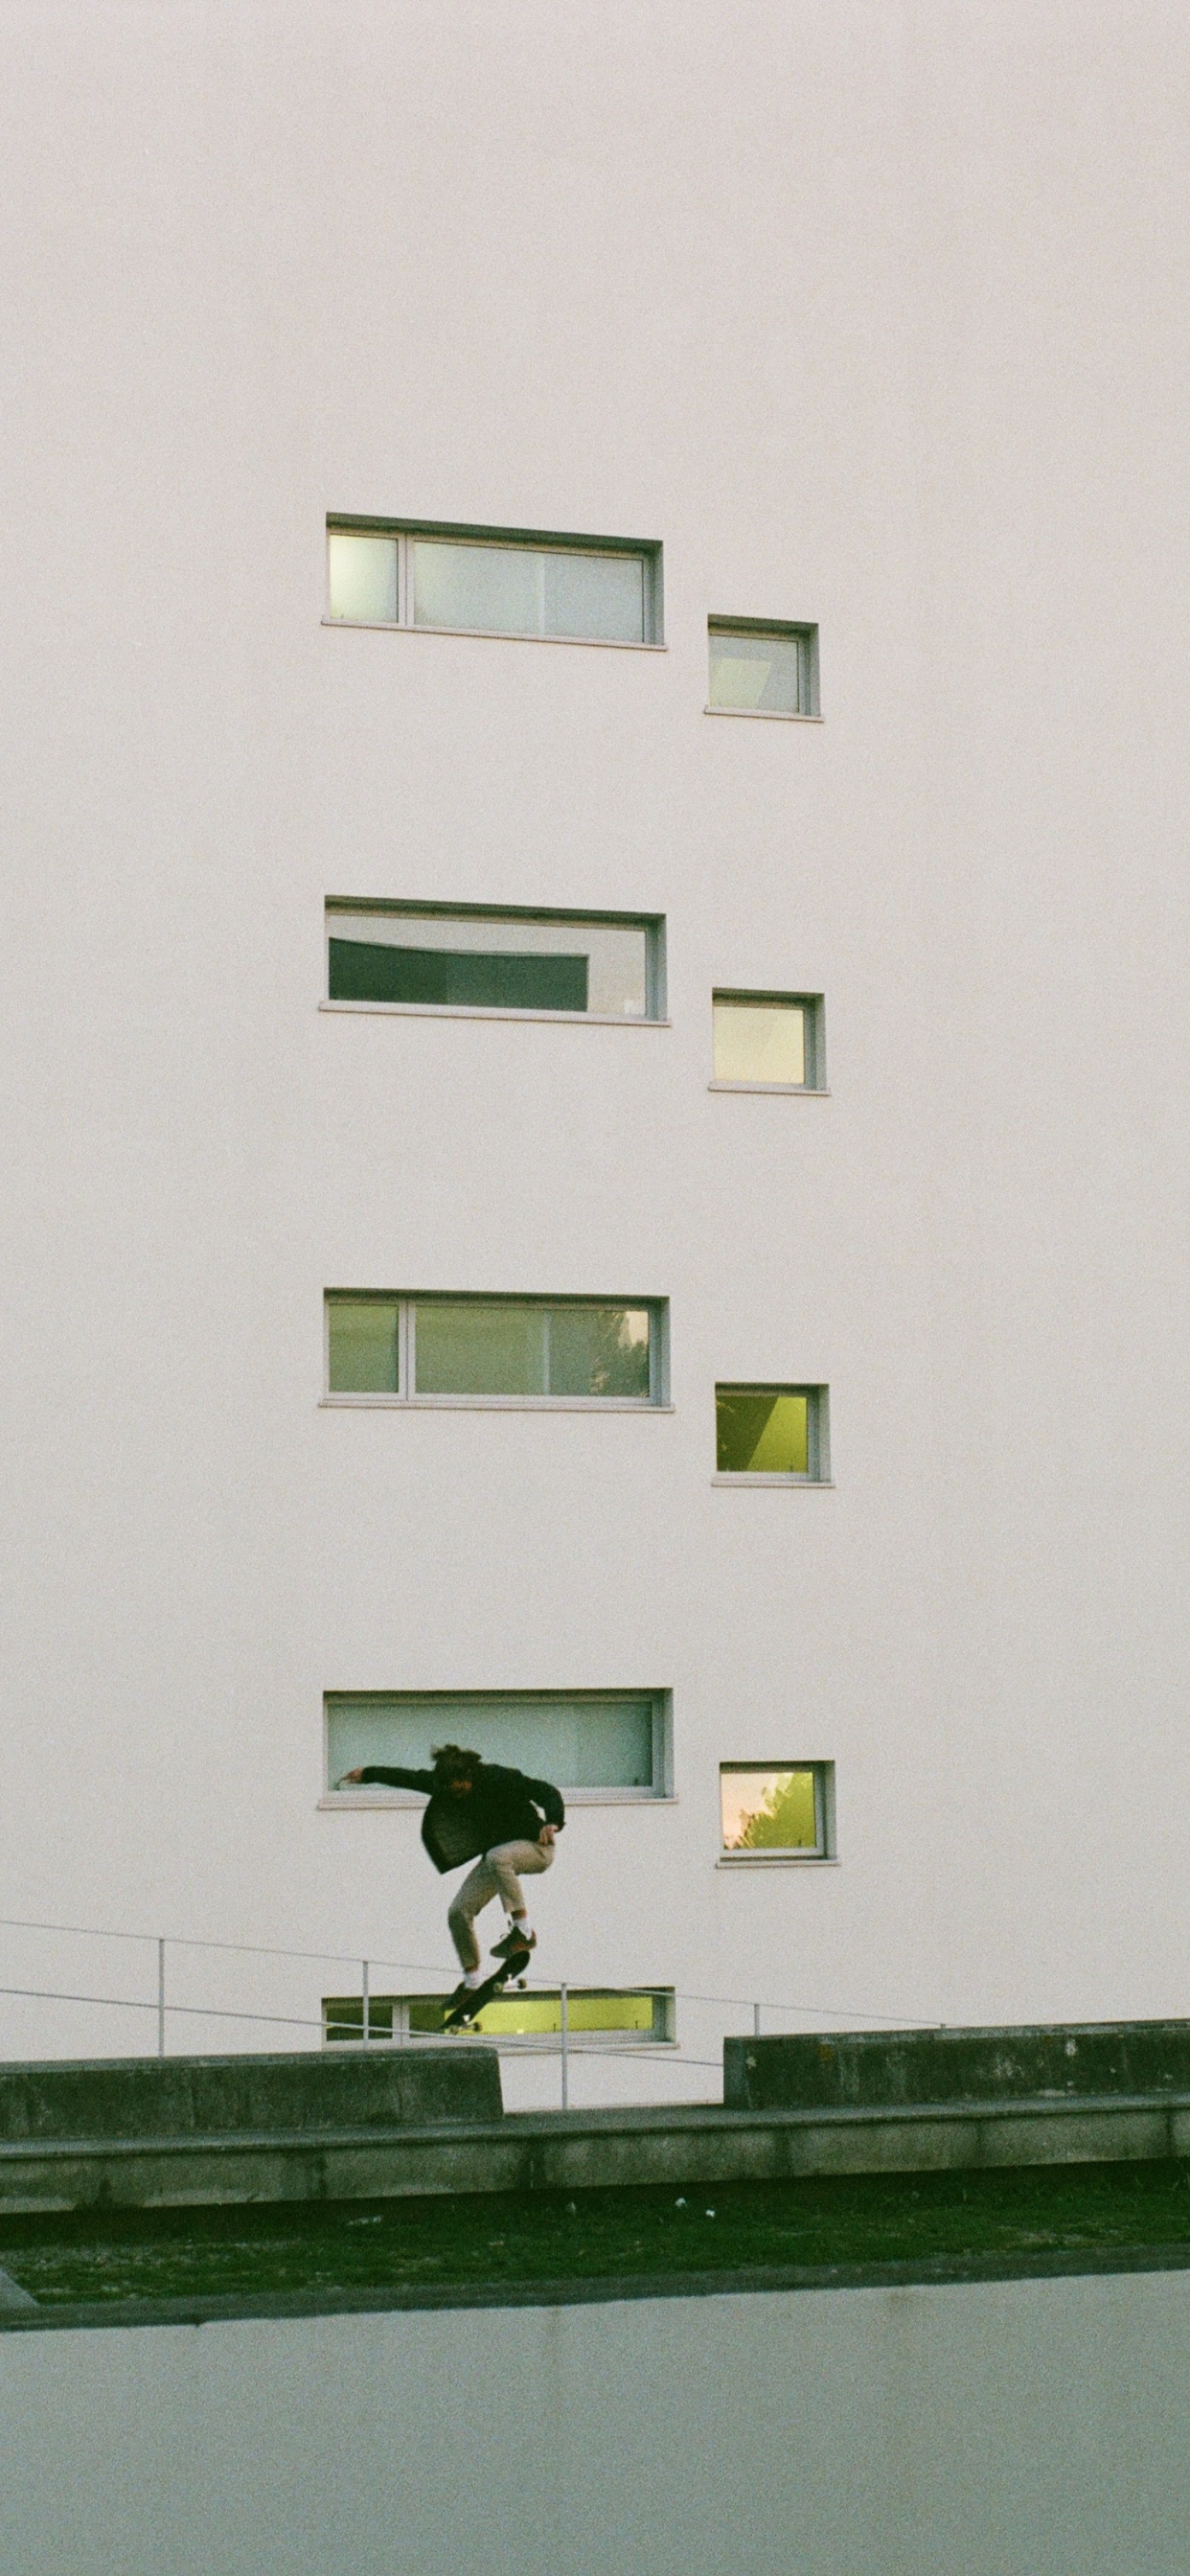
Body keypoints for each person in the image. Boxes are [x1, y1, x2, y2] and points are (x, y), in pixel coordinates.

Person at [337, 1742, 564, 2003]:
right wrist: (368, 1773)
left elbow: (546, 1791)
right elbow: (408, 1778)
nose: (457, 1796)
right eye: (451, 1792)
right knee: (458, 1912)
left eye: (460, 1789)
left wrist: (552, 1822)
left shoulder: (498, 1777)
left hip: (537, 1847)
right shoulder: (444, 1784)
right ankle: (472, 1981)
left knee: (497, 1856)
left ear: (468, 1776)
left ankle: (524, 1932)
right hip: (498, 1860)